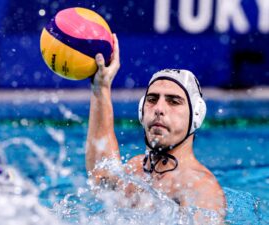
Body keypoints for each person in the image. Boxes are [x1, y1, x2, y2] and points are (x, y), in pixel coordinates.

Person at [85, 34, 226, 222]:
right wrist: (101, 87)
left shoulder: (200, 188)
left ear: (196, 115)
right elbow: (99, 178)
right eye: (152, 99)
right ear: (141, 111)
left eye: (174, 101)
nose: (159, 109)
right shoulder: (136, 168)